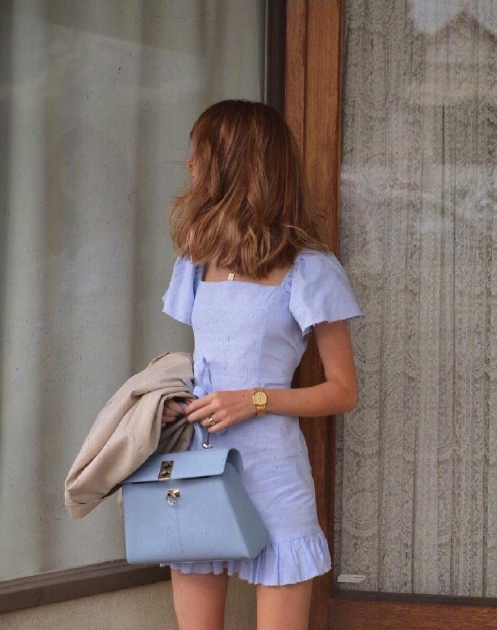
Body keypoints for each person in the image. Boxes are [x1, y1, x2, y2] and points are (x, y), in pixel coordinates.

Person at [161, 99, 361, 630]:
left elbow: (343, 390)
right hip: (199, 467)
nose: (190, 163)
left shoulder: (310, 269)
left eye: (201, 152)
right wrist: (172, 404)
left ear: (234, 164)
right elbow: (204, 362)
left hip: (273, 475)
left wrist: (254, 400)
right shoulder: (195, 261)